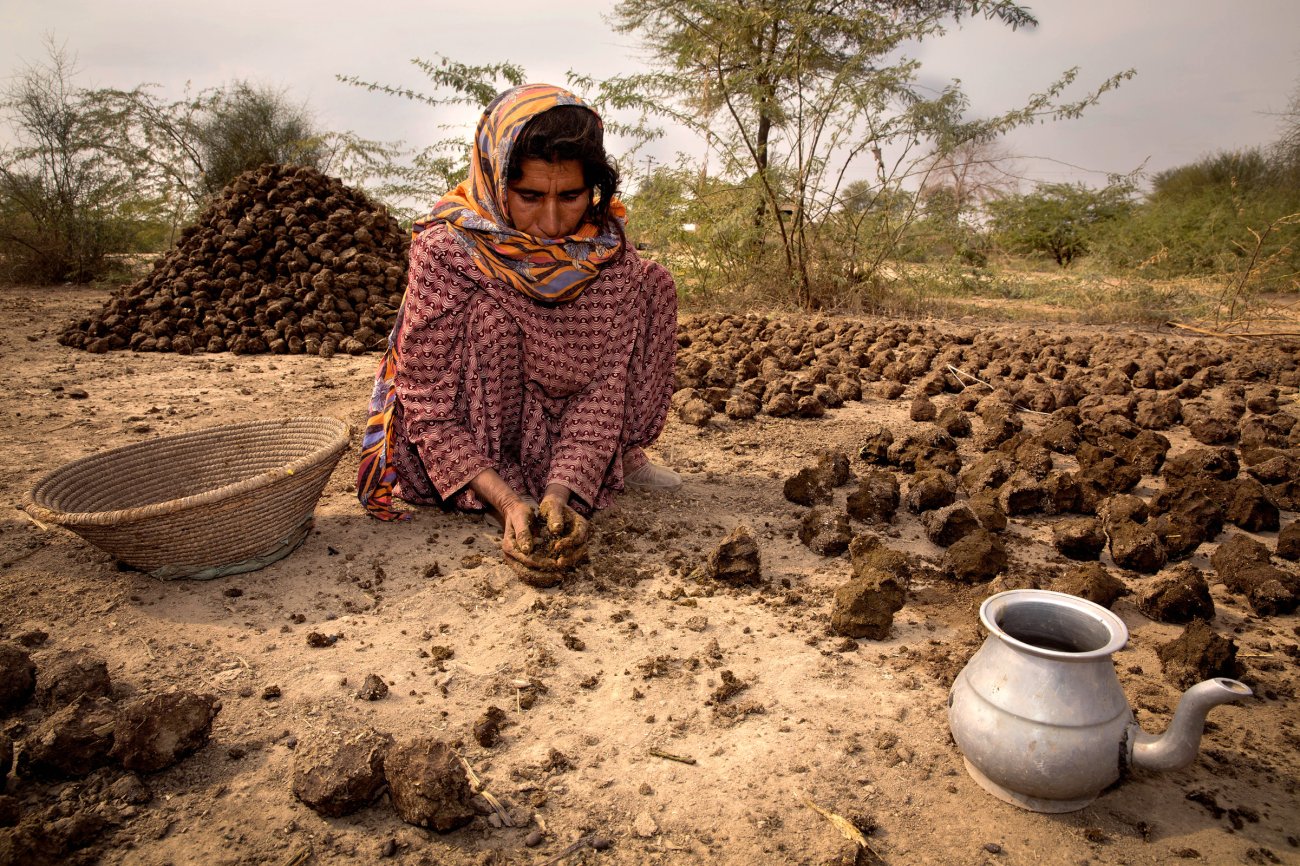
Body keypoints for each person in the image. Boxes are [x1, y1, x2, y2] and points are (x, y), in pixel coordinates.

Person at [357, 83, 680, 568]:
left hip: (573, 431)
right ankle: (503, 482)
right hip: (478, 430)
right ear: (495, 180)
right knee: (492, 320)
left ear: (594, 191)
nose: (550, 221)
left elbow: (602, 392)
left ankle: (599, 464)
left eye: (570, 196)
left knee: (654, 283)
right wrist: (507, 502)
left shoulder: (611, 261)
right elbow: (426, 399)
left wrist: (559, 493)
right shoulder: (448, 251)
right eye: (529, 196)